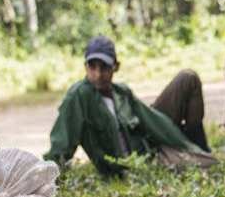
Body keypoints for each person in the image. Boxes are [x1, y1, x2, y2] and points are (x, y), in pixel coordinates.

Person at [44, 35, 212, 177]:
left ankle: (198, 146)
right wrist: (47, 177)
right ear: (85, 67)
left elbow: (154, 122)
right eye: (92, 66)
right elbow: (61, 144)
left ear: (116, 67)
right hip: (142, 161)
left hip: (152, 142)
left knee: (188, 77)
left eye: (104, 67)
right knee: (209, 164)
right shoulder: (79, 96)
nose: (98, 74)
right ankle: (197, 154)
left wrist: (189, 146)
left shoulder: (122, 92)